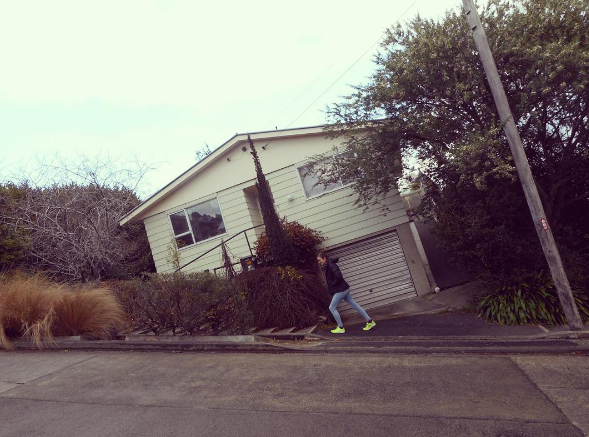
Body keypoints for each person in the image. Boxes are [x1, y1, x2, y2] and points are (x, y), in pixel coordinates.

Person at [317, 251, 376, 334]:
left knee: (332, 308)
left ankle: (340, 327)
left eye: (320, 260)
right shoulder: (328, 265)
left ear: (324, 258)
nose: (319, 262)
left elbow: (339, 276)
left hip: (340, 290)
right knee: (355, 305)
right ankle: (370, 321)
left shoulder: (331, 265)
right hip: (344, 289)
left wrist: (333, 285)